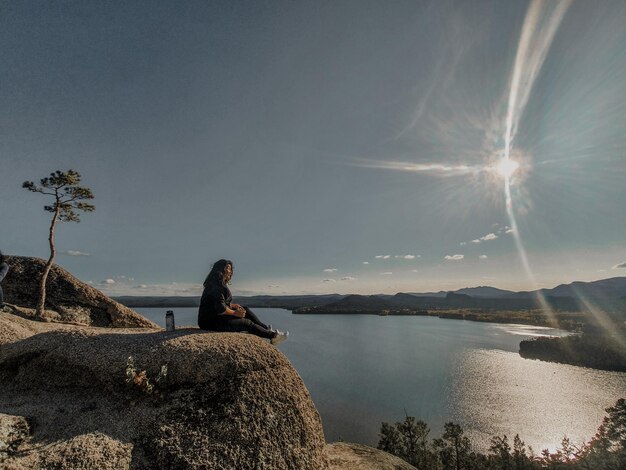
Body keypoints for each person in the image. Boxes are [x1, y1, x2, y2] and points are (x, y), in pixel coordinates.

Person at [198, 259, 288, 345]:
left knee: (245, 310)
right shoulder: (216, 285)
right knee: (247, 323)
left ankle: (266, 329)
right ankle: (273, 336)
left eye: (230, 269)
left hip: (215, 318)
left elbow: (217, 303)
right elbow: (220, 309)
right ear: (220, 269)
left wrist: (232, 305)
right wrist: (235, 313)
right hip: (210, 322)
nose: (230, 272)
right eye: (228, 269)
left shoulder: (217, 283)